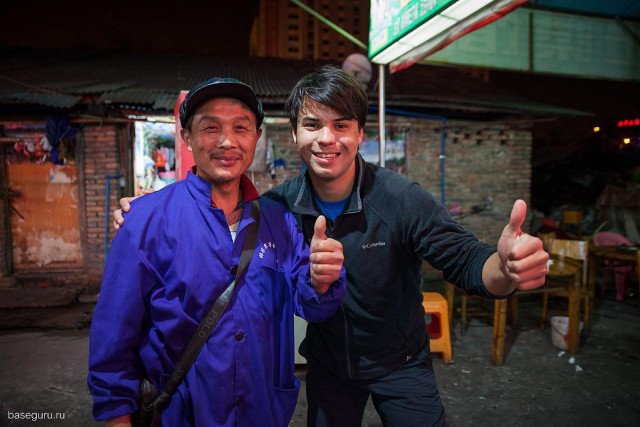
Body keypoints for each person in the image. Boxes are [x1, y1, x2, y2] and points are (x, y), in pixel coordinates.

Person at [115, 66, 549, 426]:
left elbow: (468, 261)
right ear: (295, 135)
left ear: (360, 133)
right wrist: (145, 216)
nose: (327, 138)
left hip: (402, 362)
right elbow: (215, 231)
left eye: (342, 125)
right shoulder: (275, 208)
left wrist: (505, 270)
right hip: (327, 368)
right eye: (313, 125)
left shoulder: (400, 199)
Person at [89, 77, 346, 427]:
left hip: (263, 414)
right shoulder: (146, 221)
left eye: (241, 127)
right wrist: (117, 417)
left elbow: (311, 304)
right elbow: (113, 339)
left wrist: (323, 278)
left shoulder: (278, 219)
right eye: (211, 127)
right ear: (187, 138)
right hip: (179, 416)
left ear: (257, 137)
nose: (227, 141)